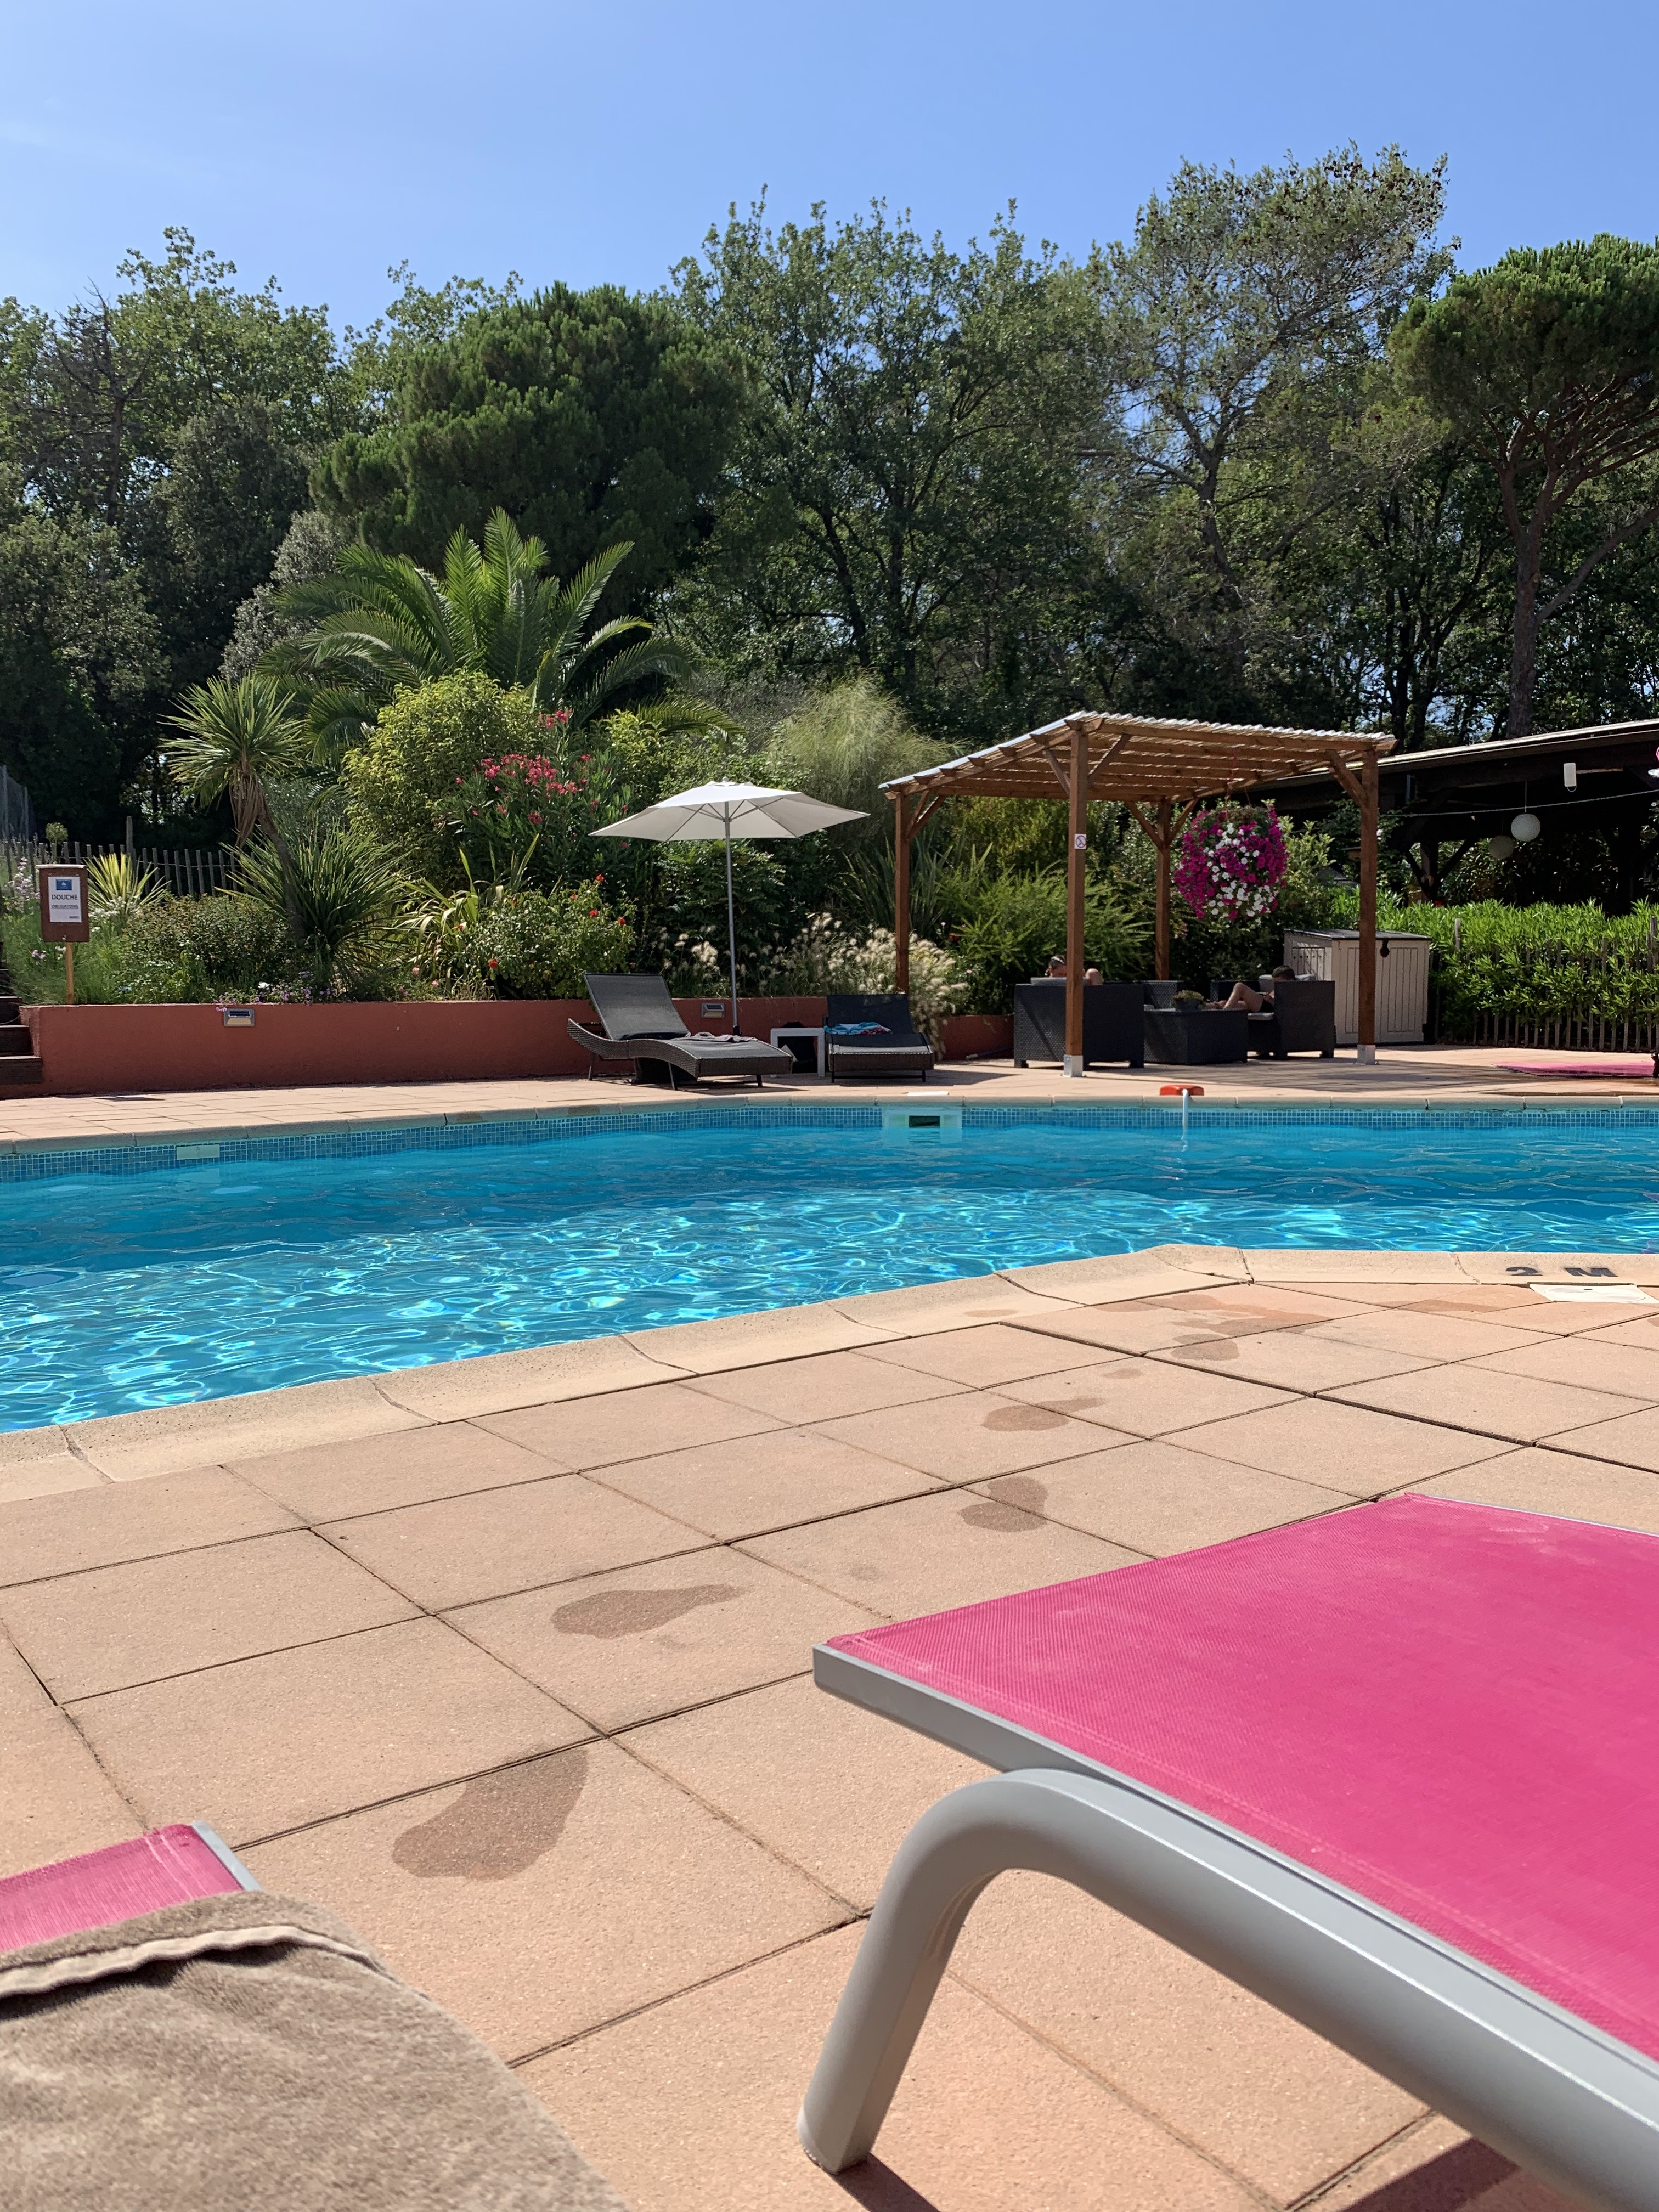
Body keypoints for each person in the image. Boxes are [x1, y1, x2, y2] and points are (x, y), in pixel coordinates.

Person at [1211, 965, 1295, 1013]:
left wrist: (1272, 1001)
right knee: (1224, 1003)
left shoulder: (1294, 989)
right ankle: (1209, 1011)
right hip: (1264, 1004)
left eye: (1278, 983)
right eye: (1275, 983)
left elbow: (1288, 1006)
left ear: (1290, 980)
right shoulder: (1281, 987)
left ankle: (1224, 1015)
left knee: (1240, 986)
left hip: (1270, 1008)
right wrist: (1268, 997)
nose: (1276, 985)